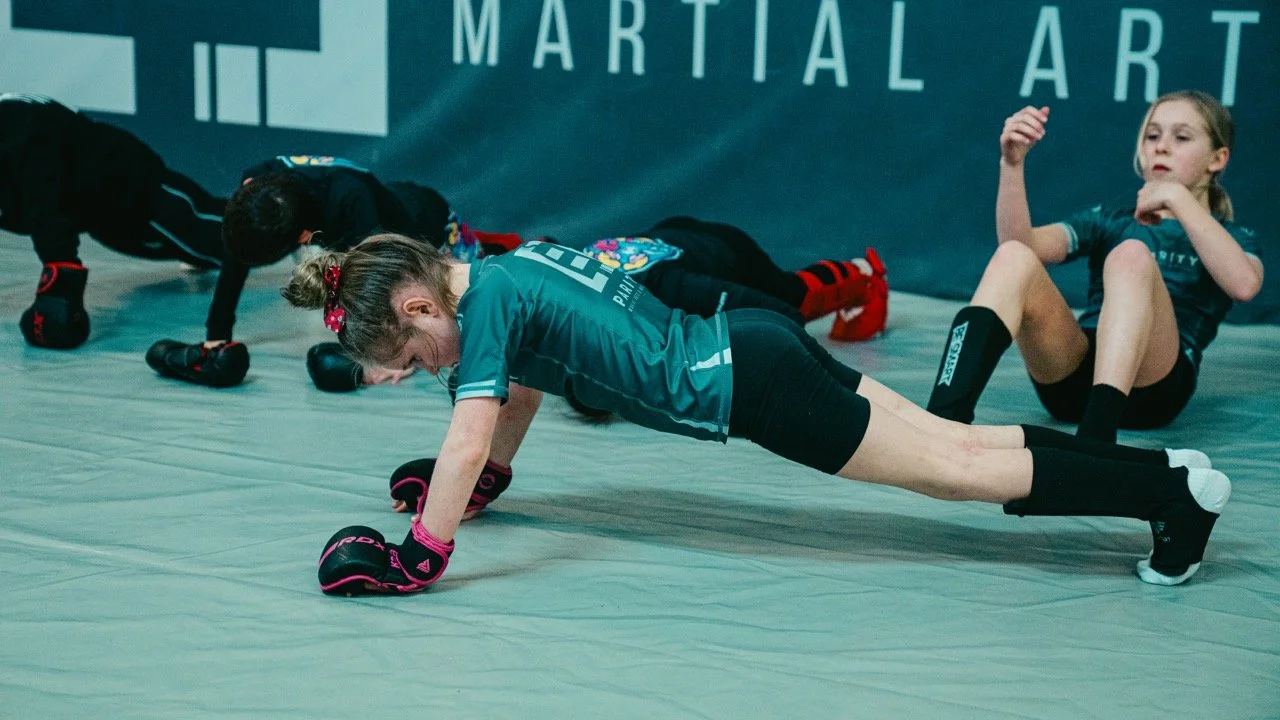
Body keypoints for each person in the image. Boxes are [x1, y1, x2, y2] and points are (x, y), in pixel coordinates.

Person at [283, 234, 1232, 597]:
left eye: (409, 359)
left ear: (417, 308)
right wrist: (487, 483)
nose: (417, 375)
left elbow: (468, 425)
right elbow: (512, 399)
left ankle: (1174, 500)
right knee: (960, 443)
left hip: (756, 387)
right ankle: (1169, 482)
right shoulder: (497, 276)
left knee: (960, 473)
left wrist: (423, 553)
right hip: (751, 345)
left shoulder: (482, 309)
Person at [925, 91, 1264, 441]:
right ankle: (941, 423)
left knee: (1131, 255)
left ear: (1217, 159)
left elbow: (1244, 284)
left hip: (1151, 391)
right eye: (1152, 135)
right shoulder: (1110, 220)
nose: (1161, 147)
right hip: (1073, 380)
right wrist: (1011, 166)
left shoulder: (1233, 237)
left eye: (1181, 137)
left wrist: (1176, 197)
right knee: (1013, 258)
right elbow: (1019, 245)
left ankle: (1095, 443)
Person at [144, 154, 527, 388]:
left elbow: (397, 288)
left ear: (305, 237)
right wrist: (217, 336)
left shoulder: (356, 211)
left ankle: (508, 245)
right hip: (385, 206)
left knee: (474, 280)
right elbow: (238, 256)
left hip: (427, 224)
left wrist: (387, 357)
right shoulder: (262, 183)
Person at [0, 93, 226, 349]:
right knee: (191, 250)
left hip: (134, 187)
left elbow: (42, 201)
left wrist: (59, 272)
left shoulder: (16, 125)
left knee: (238, 239)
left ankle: (278, 197)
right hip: (96, 218)